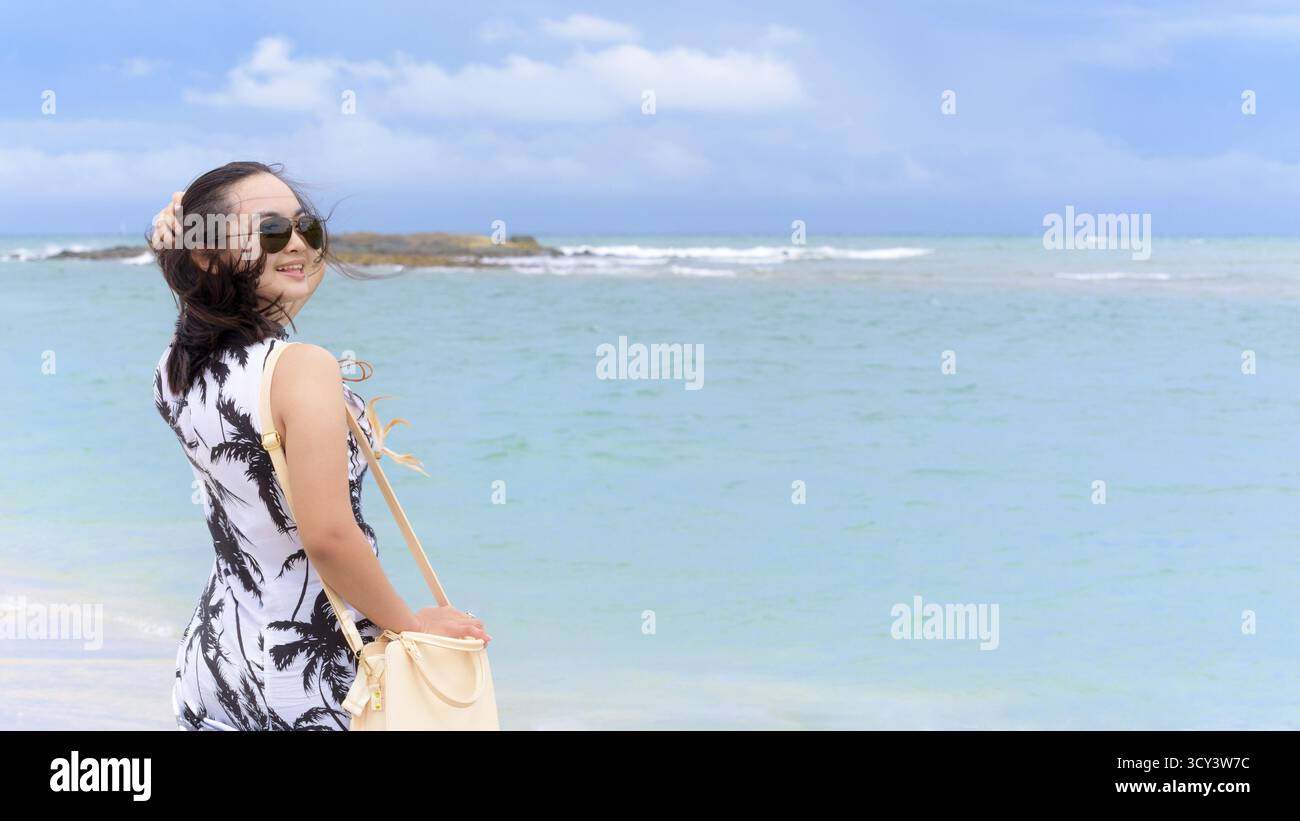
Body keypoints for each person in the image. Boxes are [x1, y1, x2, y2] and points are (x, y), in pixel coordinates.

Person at [150, 161, 490, 730]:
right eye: (271, 231)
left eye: (307, 229)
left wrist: (184, 247)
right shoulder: (303, 368)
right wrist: (408, 624)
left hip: (218, 658)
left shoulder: (179, 370)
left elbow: (202, 304)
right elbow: (329, 536)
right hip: (316, 670)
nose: (300, 244)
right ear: (208, 255)